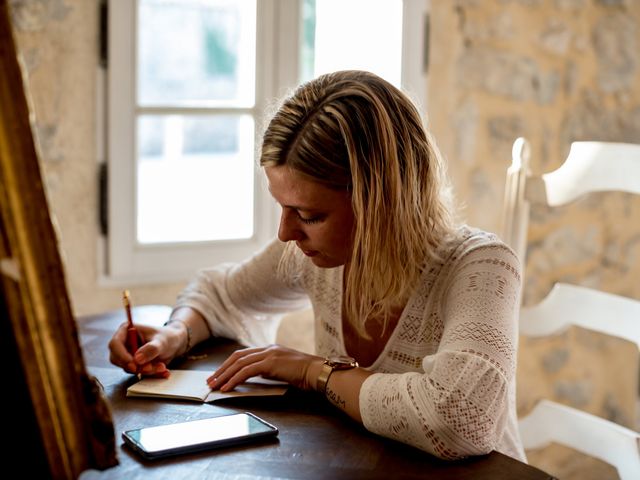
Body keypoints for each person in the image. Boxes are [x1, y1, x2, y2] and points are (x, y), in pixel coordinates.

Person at [108, 70, 525, 462]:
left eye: (308, 215)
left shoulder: (482, 266)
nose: (286, 233)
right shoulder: (318, 258)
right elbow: (220, 291)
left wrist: (314, 372)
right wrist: (175, 333)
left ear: (382, 202)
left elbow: (460, 420)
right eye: (283, 208)